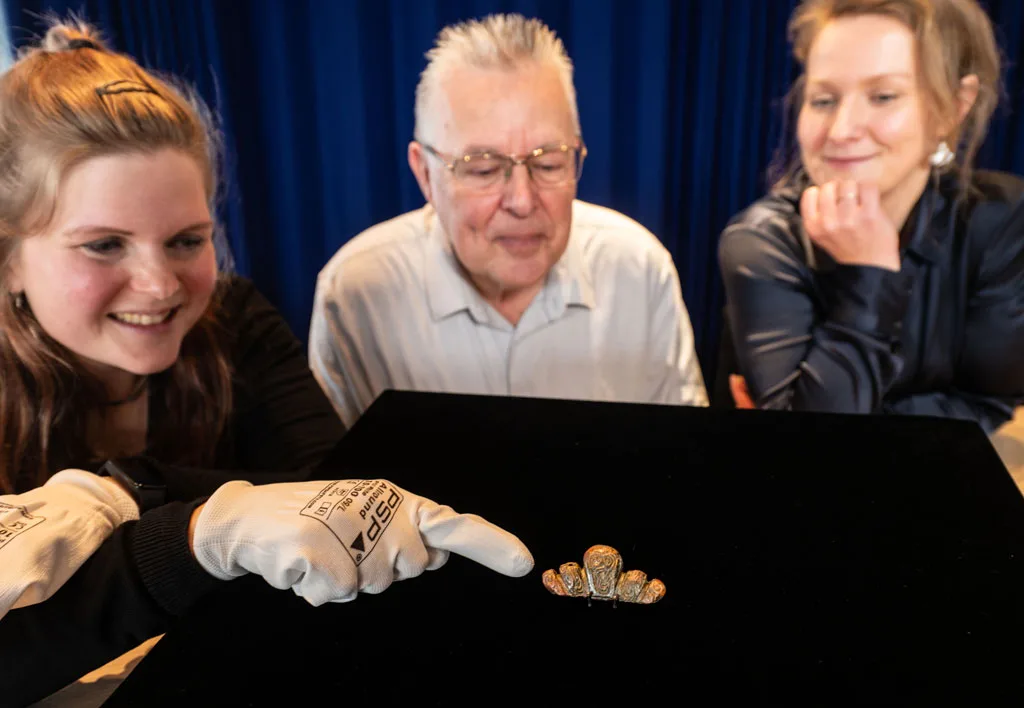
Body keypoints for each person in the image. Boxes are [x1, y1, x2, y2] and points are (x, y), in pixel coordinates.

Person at [0, 21, 532, 705]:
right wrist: (191, 535)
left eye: (186, 240)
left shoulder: (235, 323)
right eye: (104, 245)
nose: (159, 285)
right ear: (10, 261)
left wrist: (131, 492)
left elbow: (333, 490)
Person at [309, 14, 708, 428]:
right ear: (425, 173)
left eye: (549, 163)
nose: (522, 201)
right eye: (483, 168)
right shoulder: (357, 295)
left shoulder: (639, 272)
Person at [718, 0, 1024, 431]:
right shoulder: (764, 238)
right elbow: (809, 443)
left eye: (883, 97)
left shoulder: (1001, 219)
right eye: (823, 100)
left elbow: (989, 404)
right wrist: (869, 273)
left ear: (954, 107)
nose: (842, 130)